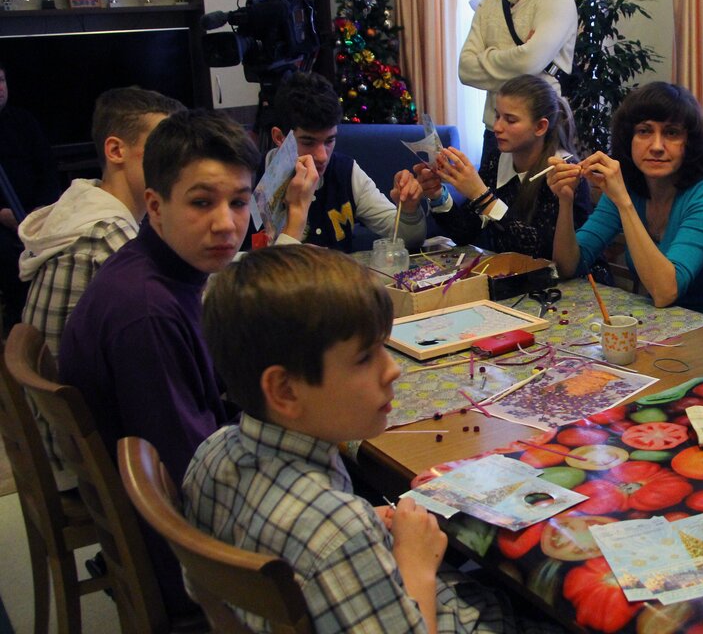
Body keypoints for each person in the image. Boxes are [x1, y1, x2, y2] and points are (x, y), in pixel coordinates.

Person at [186, 245, 558, 633]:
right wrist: (415, 564)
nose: (392, 369)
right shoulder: (339, 532)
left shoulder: (211, 455)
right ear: (285, 390)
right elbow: (335, 539)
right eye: (365, 357)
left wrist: (362, 527)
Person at [58, 108, 315, 621]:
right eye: (202, 203)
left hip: (172, 524)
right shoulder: (147, 313)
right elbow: (195, 476)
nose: (226, 224)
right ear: (155, 205)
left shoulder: (159, 273)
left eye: (240, 202)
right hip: (193, 563)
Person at [548, 82, 703, 327]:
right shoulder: (629, 188)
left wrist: (624, 203)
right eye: (645, 131)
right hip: (664, 323)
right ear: (629, 139)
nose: (656, 147)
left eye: (671, 133)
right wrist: (565, 201)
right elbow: (568, 267)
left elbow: (665, 291)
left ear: (689, 143)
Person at [18, 87, 184, 356]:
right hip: (91, 395)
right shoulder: (106, 234)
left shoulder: (84, 206)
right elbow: (176, 318)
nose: (180, 162)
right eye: (164, 148)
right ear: (116, 150)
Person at [412, 74, 591, 260]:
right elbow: (465, 232)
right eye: (497, 116)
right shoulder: (497, 160)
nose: (497, 127)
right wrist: (438, 195)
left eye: (510, 120)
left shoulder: (563, 172)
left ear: (540, 127)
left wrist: (482, 196)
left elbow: (540, 253)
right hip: (514, 280)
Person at [459, 0, 578, 167]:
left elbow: (529, 62)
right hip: (495, 130)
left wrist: (487, 56)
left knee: (538, 205)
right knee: (487, 204)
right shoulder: (488, 5)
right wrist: (520, 54)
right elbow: (465, 70)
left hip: (540, 132)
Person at [266, 71, 425, 251]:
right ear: (279, 138)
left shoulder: (345, 171)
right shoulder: (251, 187)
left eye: (329, 141)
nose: (322, 156)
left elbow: (406, 239)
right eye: (308, 142)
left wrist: (409, 210)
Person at [0, 60, 60, 332]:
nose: (0, 88)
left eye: (1, 81)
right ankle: (17, 336)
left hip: (36, 215)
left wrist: (41, 209)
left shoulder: (23, 121)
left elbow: (48, 169)